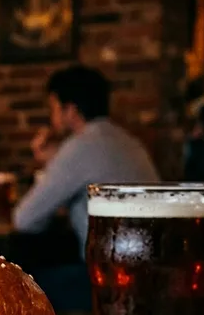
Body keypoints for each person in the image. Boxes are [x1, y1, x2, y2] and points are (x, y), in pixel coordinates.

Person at [12, 65, 159, 258]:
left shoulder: (81, 145)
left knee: (29, 277)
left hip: (111, 275)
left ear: (70, 111)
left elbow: (24, 219)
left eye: (53, 108)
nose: (51, 117)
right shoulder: (128, 141)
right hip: (151, 265)